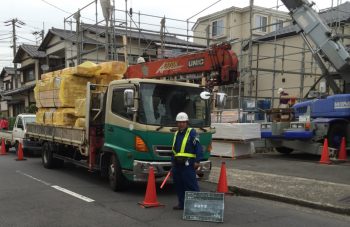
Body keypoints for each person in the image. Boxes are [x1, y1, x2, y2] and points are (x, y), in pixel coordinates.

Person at [171, 112, 203, 210]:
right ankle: (182, 204)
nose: (181, 124)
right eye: (179, 122)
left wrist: (197, 161)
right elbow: (174, 149)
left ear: (187, 122)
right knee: (179, 185)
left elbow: (198, 147)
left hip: (188, 164)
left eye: (183, 122)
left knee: (191, 185)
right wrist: (172, 162)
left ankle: (196, 206)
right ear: (177, 123)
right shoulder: (176, 133)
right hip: (177, 164)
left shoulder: (192, 132)